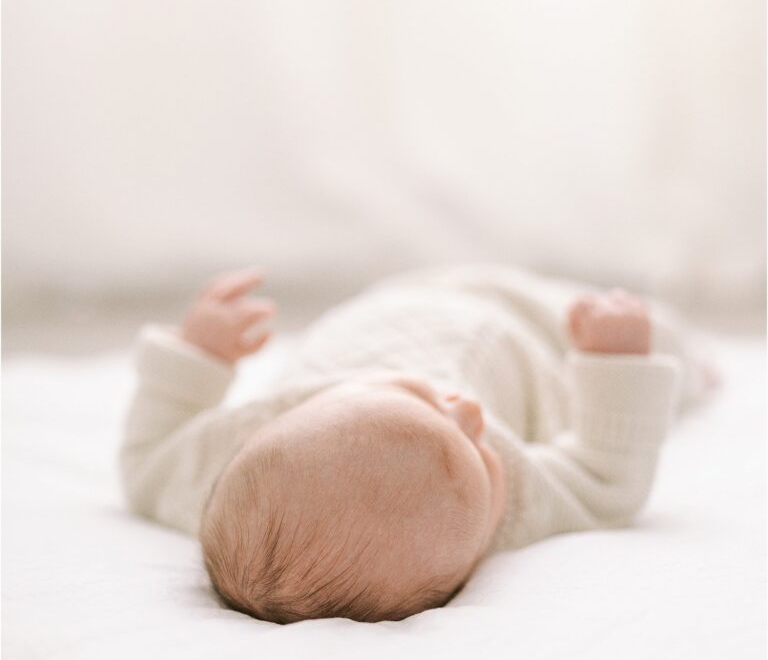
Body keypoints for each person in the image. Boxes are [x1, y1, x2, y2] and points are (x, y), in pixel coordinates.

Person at [119, 263, 715, 624]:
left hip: (392, 304)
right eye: (480, 461)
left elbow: (147, 454)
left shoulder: (207, 473)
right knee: (640, 328)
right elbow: (607, 480)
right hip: (531, 338)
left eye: (422, 398)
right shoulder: (514, 511)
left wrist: (197, 353)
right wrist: (615, 366)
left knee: (442, 278)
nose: (471, 414)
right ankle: (692, 359)